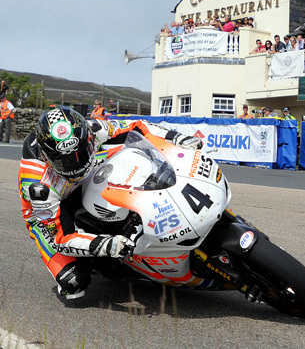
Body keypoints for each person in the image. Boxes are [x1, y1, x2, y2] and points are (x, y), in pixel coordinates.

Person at [18, 106, 202, 299]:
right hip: (51, 212)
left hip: (87, 177)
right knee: (73, 282)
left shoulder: (93, 128)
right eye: (65, 161)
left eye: (80, 152)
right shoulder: (38, 187)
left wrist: (176, 137)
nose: (76, 164)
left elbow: (137, 125)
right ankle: (97, 258)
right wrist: (108, 245)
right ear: (47, 158)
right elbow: (61, 239)